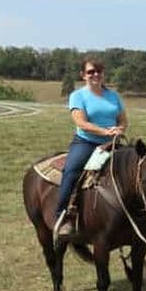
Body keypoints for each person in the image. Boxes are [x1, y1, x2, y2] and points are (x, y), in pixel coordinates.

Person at [54, 57, 127, 239]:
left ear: (103, 74)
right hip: (86, 142)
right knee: (71, 172)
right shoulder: (77, 96)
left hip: (113, 142)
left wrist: (120, 129)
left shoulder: (113, 96)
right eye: (90, 72)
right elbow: (81, 122)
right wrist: (104, 131)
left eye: (98, 71)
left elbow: (123, 119)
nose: (95, 75)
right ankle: (62, 216)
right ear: (83, 75)